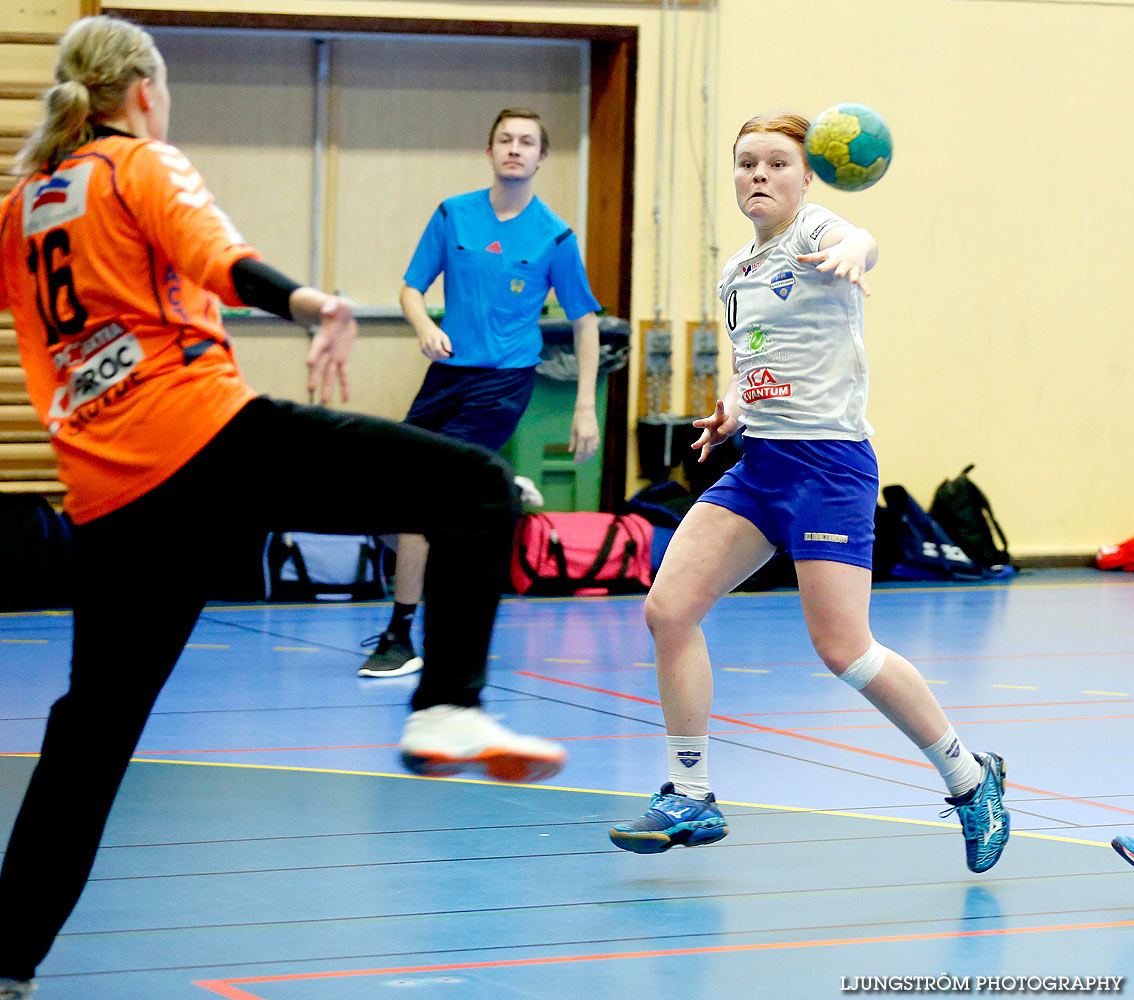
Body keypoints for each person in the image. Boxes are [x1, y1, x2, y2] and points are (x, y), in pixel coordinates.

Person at [0, 17, 566, 995]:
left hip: (112, 500)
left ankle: (4, 961)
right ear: (143, 92)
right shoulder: (140, 162)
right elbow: (221, 258)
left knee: (88, 740)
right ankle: (446, 710)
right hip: (208, 444)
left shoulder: (20, 212)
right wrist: (313, 303)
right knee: (474, 488)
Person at [607, 112, 1010, 875]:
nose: (759, 175)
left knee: (844, 650)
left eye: (777, 164)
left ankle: (968, 776)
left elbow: (862, 243)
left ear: (806, 176)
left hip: (829, 468)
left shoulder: (817, 233)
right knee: (668, 609)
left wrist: (857, 250)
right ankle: (690, 796)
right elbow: (755, 352)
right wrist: (731, 408)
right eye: (746, 164)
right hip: (760, 466)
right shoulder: (737, 270)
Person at [359, 108, 602, 678]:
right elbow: (411, 288)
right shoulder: (452, 215)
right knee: (391, 498)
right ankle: (498, 485)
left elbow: (585, 320)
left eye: (527, 142)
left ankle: (401, 634)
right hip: (445, 376)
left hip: (503, 381)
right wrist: (424, 326)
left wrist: (585, 406)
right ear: (489, 151)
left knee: (426, 498)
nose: (514, 149)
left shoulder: (555, 236)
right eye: (505, 140)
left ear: (542, 157)